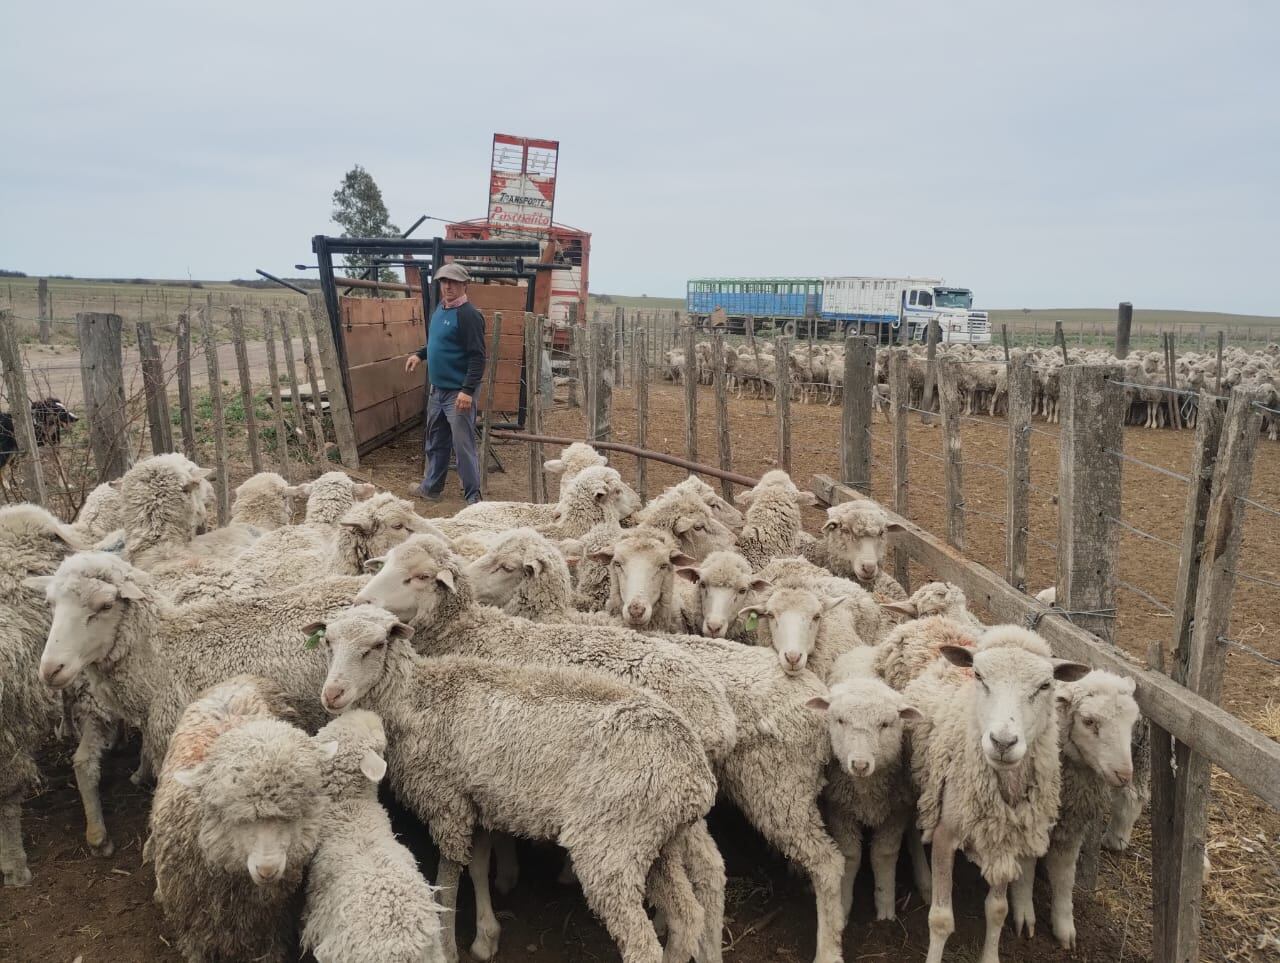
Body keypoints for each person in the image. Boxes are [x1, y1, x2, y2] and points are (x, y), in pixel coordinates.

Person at [405, 262, 487, 504]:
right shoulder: (441, 309)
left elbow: (478, 356)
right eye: (444, 281)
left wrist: (468, 390)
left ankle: (473, 499)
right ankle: (431, 489)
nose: (448, 286)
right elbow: (437, 342)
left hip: (458, 394)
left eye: (453, 282)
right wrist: (420, 355)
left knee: (463, 446)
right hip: (437, 391)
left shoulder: (469, 315)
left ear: (464, 284)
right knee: (435, 441)